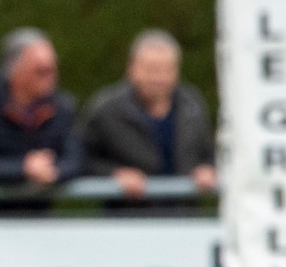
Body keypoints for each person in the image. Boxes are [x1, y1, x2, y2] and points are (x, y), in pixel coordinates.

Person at [79, 29, 217, 200]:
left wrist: (207, 169)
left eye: (167, 69)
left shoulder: (192, 105)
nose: (159, 78)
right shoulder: (107, 109)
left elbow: (209, 153)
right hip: (129, 217)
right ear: (131, 68)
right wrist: (114, 174)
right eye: (151, 69)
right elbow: (82, 158)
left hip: (184, 217)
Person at [0, 29, 84, 205]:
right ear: (15, 70)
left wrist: (54, 172)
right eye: (41, 71)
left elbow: (76, 159)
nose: (50, 78)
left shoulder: (63, 107)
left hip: (37, 220)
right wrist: (24, 168)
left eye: (52, 69)